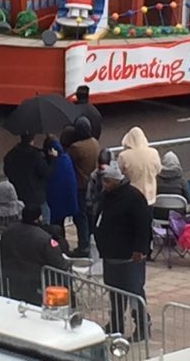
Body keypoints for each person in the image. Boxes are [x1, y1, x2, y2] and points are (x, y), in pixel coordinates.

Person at [94, 164, 152, 341]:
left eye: (108, 181)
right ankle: (116, 323)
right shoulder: (106, 197)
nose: (104, 185)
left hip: (129, 256)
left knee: (134, 292)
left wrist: (140, 249)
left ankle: (142, 326)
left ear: (116, 181)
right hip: (110, 254)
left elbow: (143, 225)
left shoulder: (134, 198)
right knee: (114, 291)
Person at [0, 205, 70, 304]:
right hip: (36, 282)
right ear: (39, 218)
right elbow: (58, 262)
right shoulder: (44, 238)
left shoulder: (7, 232)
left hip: (13, 277)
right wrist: (67, 265)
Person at [66, 116, 100, 256]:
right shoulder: (95, 142)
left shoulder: (76, 147)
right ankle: (90, 243)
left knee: (81, 217)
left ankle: (83, 246)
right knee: (90, 215)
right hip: (93, 185)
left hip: (80, 187)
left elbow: (68, 160)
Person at [3, 133, 52, 219]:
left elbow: (7, 171)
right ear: (32, 139)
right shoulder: (36, 155)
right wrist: (51, 159)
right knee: (45, 220)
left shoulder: (10, 155)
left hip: (18, 195)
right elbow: (46, 173)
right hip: (36, 197)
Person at [44, 136, 79, 237]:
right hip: (66, 201)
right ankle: (63, 245)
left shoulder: (53, 163)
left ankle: (58, 245)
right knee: (61, 225)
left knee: (55, 226)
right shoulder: (66, 159)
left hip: (55, 202)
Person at [117, 126, 162, 205]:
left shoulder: (124, 156)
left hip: (130, 197)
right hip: (149, 197)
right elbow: (158, 170)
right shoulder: (154, 153)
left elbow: (118, 174)